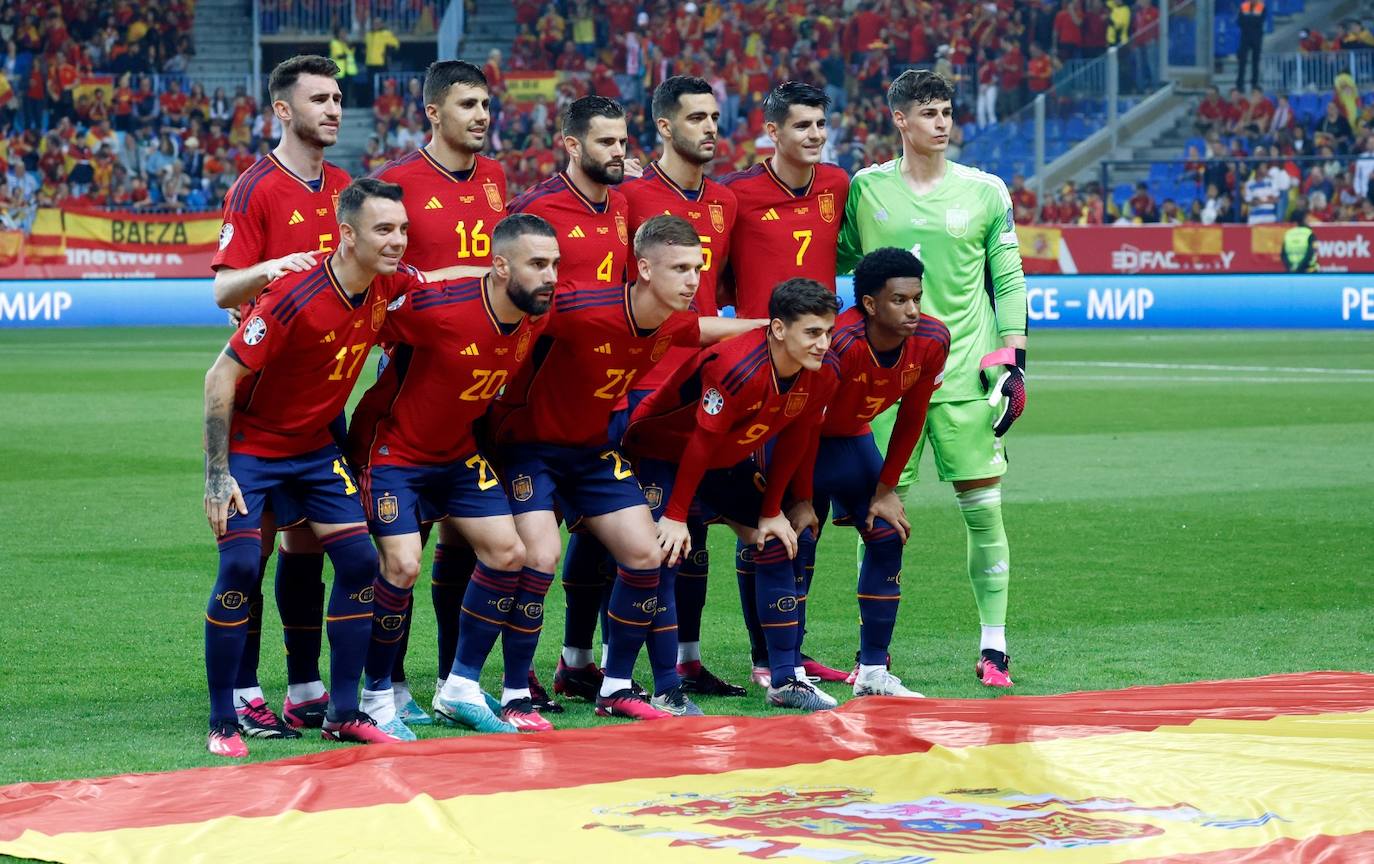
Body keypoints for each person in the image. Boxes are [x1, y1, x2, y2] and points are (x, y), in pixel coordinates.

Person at [486, 214, 756, 720]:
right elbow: (509, 308)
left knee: (644, 553)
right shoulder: (578, 306)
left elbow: (701, 331)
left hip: (592, 453)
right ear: (645, 269)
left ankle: (615, 687)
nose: (693, 280)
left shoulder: (670, 320)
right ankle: (514, 693)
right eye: (679, 268)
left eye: (697, 268)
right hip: (530, 448)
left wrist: (768, 328)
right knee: (540, 556)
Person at [201, 178, 422, 757]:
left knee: (357, 563)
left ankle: (342, 713)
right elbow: (220, 377)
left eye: (402, 228)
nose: (398, 240)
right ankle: (223, 718)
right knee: (243, 567)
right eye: (384, 229)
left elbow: (443, 283)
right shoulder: (293, 294)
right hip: (254, 447)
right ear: (346, 235)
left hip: (316, 450)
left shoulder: (386, 285)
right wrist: (217, 475)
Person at [836, 69, 1028, 690]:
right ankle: (874, 656)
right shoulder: (865, 190)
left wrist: (1013, 356)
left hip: (966, 374)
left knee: (983, 511)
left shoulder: (986, 191)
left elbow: (1008, 276)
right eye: (928, 113)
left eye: (947, 111)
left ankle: (994, 647)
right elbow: (829, 257)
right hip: (883, 381)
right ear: (900, 120)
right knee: (878, 516)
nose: (942, 123)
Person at [347, 214, 556, 736]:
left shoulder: (537, 312)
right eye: (538, 263)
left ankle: (459, 688)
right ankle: (374, 698)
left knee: (510, 553)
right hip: (394, 449)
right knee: (402, 565)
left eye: (554, 263)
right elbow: (362, 318)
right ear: (501, 266)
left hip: (457, 454)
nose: (551, 275)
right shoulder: (439, 310)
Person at [577, 74, 745, 699]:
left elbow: (718, 291)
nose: (711, 128)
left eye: (716, 117)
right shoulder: (629, 198)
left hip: (695, 385)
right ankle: (588, 659)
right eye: (697, 117)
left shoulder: (726, 202)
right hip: (635, 388)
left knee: (689, 528)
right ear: (666, 127)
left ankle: (685, 661)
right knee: (618, 527)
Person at [209, 55, 351, 737]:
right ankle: (241, 692)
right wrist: (269, 269)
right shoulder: (256, 188)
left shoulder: (347, 189)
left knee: (310, 547)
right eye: (318, 99)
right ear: (283, 111)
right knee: (251, 551)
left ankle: (304, 684)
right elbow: (220, 291)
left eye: (337, 98)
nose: (332, 108)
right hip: (260, 401)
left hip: (323, 404)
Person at [622, 278, 841, 712]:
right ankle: (666, 687)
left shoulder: (824, 371)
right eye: (812, 333)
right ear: (778, 329)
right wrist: (678, 515)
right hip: (661, 451)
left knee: (779, 541)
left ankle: (784, 681)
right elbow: (698, 442)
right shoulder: (737, 367)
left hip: (721, 459)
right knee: (666, 551)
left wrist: (776, 509)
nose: (823, 344)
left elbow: (797, 435)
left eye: (828, 332)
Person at [368, 59, 509, 725]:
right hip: (413, 376)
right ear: (433, 112)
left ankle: (460, 677)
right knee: (405, 545)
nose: (481, 116)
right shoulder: (398, 182)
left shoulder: (495, 180)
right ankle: (388, 686)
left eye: (485, 104)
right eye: (467, 105)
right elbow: (382, 278)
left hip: (480, 383)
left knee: (467, 540)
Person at [719, 80, 851, 686]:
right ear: (772, 131)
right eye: (802, 126)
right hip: (760, 376)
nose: (816, 136)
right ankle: (767, 660)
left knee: (807, 512)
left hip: (816, 376)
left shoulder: (838, 186)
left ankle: (791, 648)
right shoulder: (736, 195)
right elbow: (716, 281)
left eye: (821, 125)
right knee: (762, 517)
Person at [507, 95, 632, 701]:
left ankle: (578, 663)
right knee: (535, 550)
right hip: (537, 405)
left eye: (622, 140)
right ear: (573, 144)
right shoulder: (537, 209)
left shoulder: (623, 205)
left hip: (603, 400)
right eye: (605, 141)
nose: (618, 151)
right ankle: (515, 676)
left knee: (598, 540)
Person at [810, 249, 949, 695]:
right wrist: (789, 499)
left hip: (852, 440)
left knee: (888, 533)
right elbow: (801, 422)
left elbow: (913, 416)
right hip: (798, 444)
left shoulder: (933, 340)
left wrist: (886, 489)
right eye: (899, 300)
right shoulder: (841, 343)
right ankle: (781, 668)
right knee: (790, 542)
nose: (912, 310)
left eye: (917, 298)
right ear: (870, 304)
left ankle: (872, 672)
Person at [1237, 1, 1266, 93]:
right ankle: (1240, 84)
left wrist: (1248, 19)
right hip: (1245, 37)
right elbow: (1240, 21)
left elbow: (1260, 21)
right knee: (1242, 61)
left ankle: (1254, 84)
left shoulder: (1261, 7)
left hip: (1256, 37)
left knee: (1255, 62)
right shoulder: (1243, 6)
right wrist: (1251, 19)